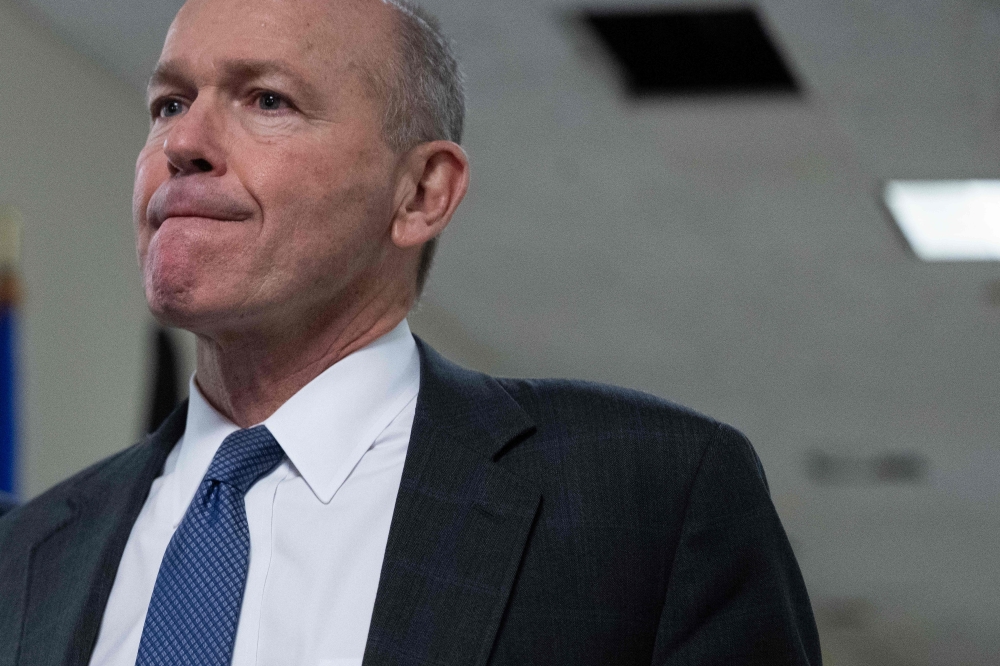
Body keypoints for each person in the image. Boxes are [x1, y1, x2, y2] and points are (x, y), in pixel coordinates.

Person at [0, 0, 822, 663]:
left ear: (422, 191)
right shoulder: (24, 555)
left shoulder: (649, 499)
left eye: (267, 100)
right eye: (170, 103)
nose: (182, 142)